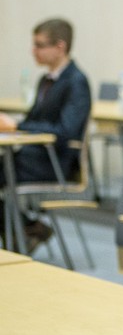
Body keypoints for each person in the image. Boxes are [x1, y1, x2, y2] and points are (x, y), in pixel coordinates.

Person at [0, 18, 91, 251]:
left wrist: (18, 127)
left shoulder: (76, 81)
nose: (34, 51)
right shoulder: (45, 79)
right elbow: (33, 121)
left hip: (55, 162)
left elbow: (65, 131)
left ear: (60, 47)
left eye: (40, 45)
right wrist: (15, 125)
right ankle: (27, 227)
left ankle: (26, 228)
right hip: (33, 156)